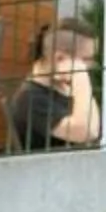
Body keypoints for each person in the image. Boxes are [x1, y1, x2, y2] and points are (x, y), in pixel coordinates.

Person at [9, 19, 100, 152]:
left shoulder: (65, 89)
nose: (90, 66)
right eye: (86, 59)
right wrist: (81, 78)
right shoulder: (30, 97)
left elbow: (100, 130)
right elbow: (87, 132)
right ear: (60, 58)